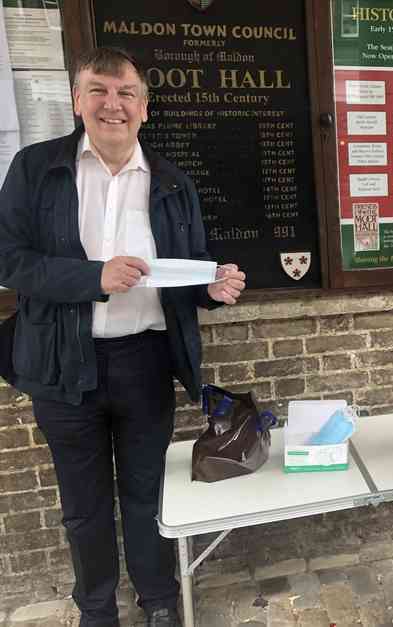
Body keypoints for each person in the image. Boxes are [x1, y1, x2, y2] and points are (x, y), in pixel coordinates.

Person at [0, 47, 246, 627]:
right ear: (77, 101)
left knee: (146, 494)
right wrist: (94, 277)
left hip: (144, 361)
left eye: (126, 92)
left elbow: (186, 271)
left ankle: (158, 598)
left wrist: (210, 288)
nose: (113, 104)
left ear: (144, 107)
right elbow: (10, 262)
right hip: (64, 363)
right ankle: (96, 609)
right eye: (99, 91)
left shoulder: (172, 183)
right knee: (83, 507)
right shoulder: (35, 169)